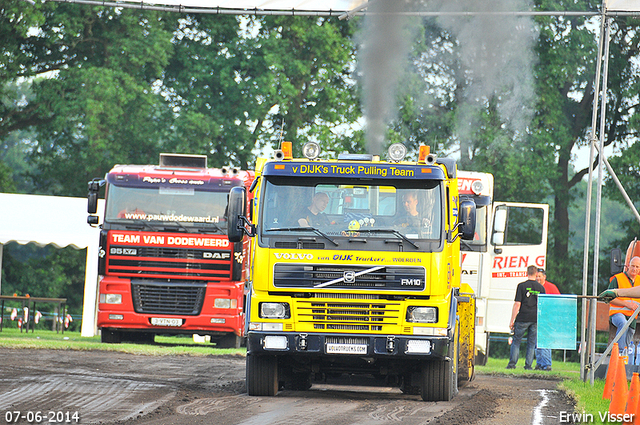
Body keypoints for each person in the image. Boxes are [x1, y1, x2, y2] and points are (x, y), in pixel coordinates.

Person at [506, 265, 546, 370]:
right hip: (535, 318)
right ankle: (528, 365)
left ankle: (512, 364)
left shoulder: (521, 286)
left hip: (523, 317)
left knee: (516, 341)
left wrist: (512, 320)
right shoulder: (541, 288)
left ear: (527, 273)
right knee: (531, 343)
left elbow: (517, 304)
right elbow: (543, 305)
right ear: (536, 274)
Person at [598, 256, 640, 352]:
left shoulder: (639, 280)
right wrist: (626, 304)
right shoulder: (618, 279)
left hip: (633, 316)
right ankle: (619, 352)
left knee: (628, 341)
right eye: (633, 266)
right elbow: (609, 298)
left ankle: (624, 357)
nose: (634, 269)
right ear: (628, 266)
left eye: (637, 267)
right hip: (617, 313)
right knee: (623, 324)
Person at [534, 268, 559, 371]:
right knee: (537, 342)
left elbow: (558, 301)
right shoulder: (534, 287)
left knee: (546, 341)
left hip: (548, 317)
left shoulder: (551, 287)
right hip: (537, 317)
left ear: (544, 277)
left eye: (539, 276)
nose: (538, 278)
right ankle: (539, 363)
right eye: (536, 276)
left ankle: (547, 364)